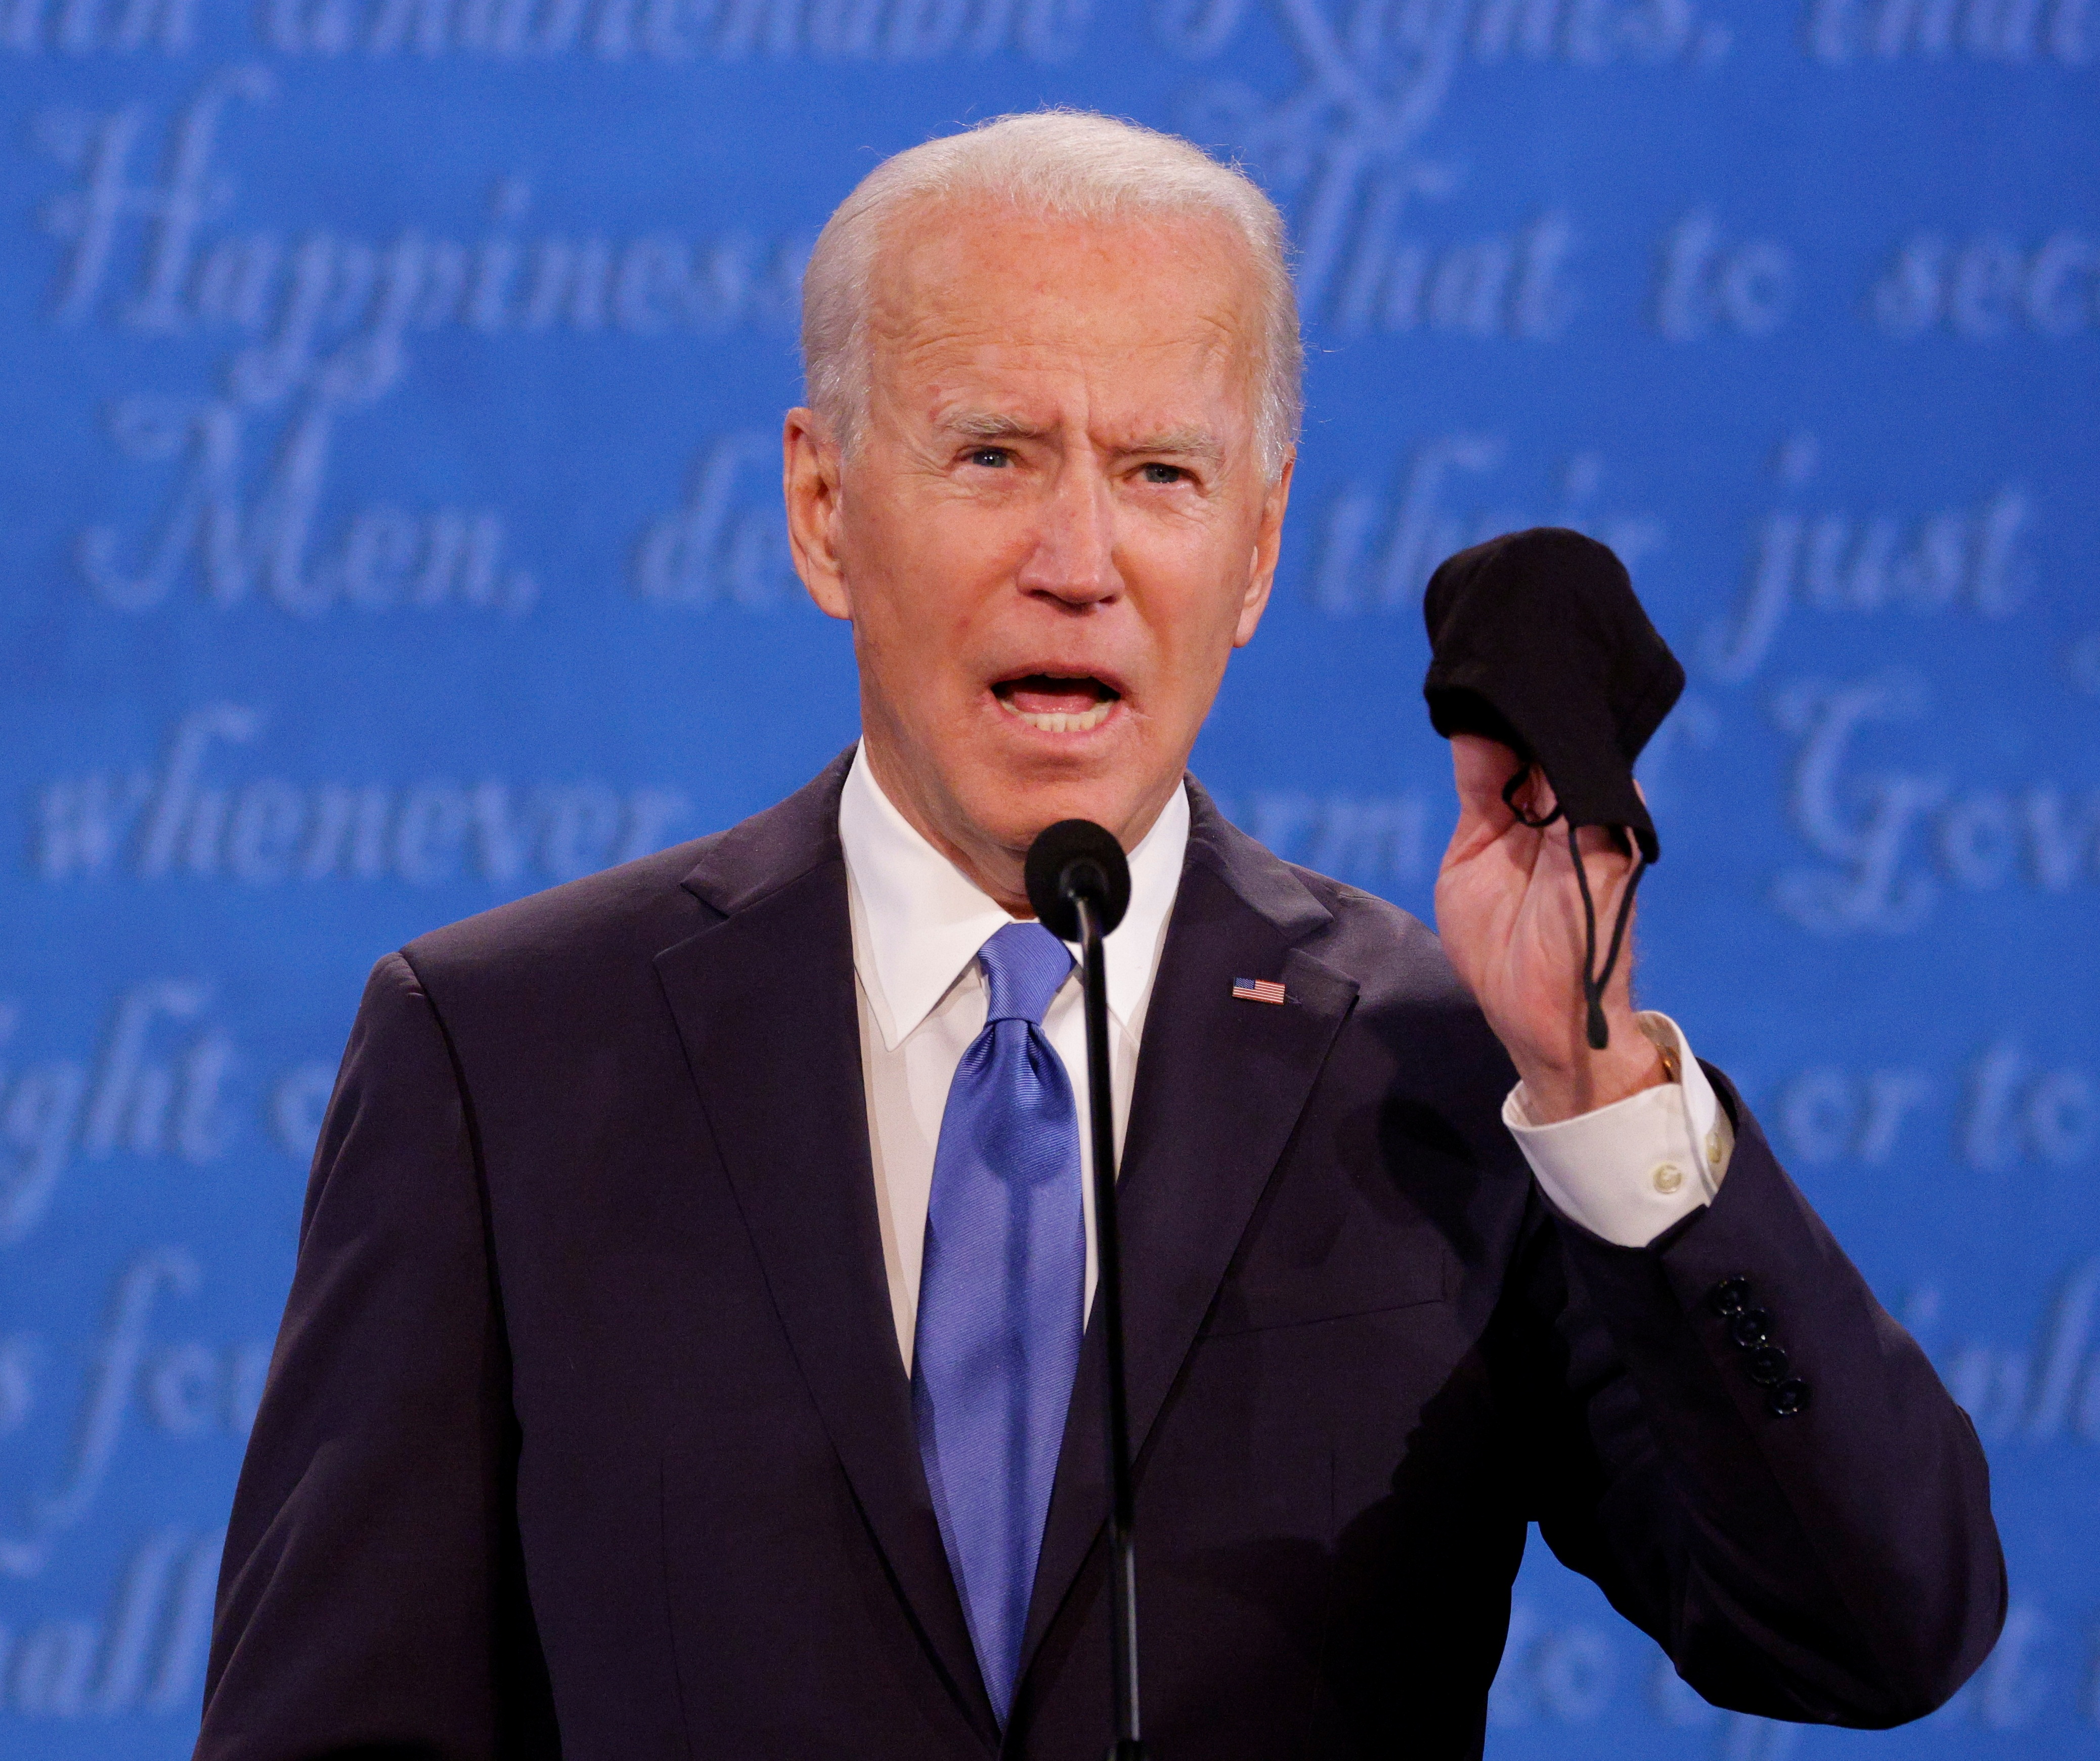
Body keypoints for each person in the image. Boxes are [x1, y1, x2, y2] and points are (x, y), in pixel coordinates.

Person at [195, 111, 2003, 1759]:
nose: (1082, 555)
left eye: (1160, 473)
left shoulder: (1451, 1067)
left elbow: (1873, 1631)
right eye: (992, 452)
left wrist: (1599, 1077)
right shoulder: (503, 1054)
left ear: (1260, 547)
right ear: (824, 507)